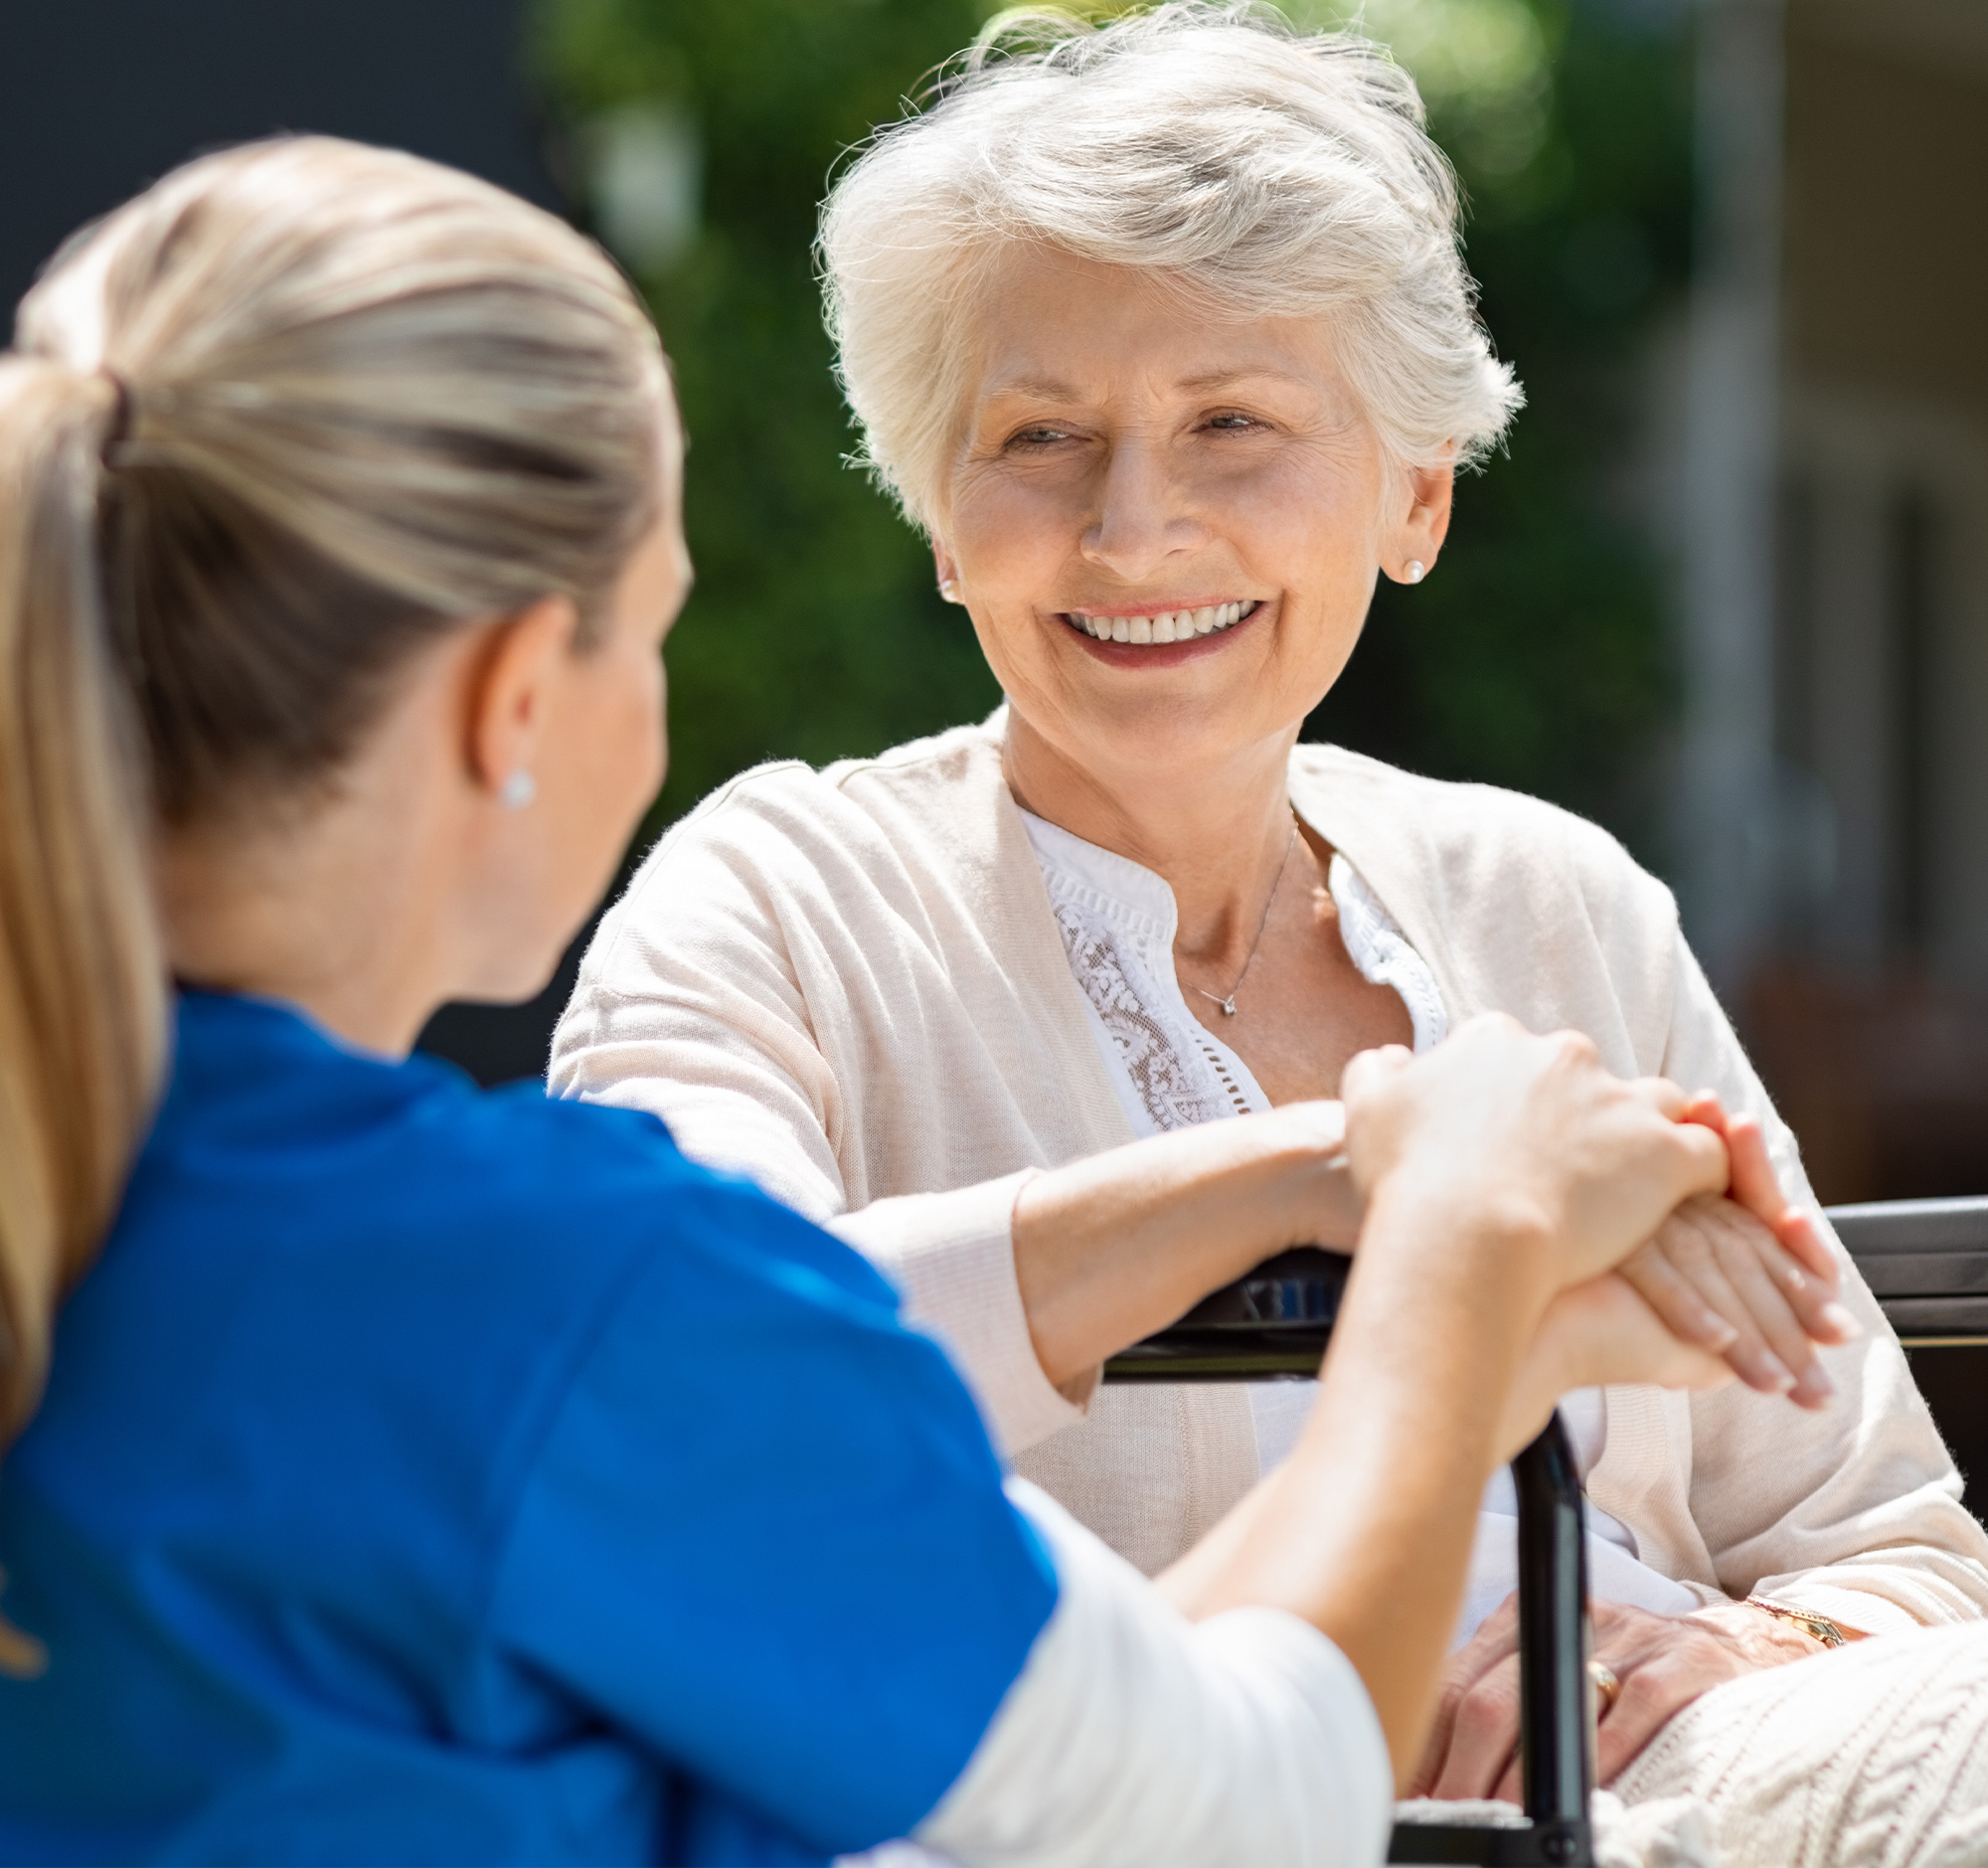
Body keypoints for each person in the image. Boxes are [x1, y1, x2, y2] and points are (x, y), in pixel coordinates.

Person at [0, 134, 1754, 1866]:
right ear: (518, 697)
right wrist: (1456, 1260)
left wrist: (1309, 1177)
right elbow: (1252, 1808)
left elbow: (1081, 1791)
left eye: (1228, 421)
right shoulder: (571, 1298)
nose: (1132, 516)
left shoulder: (101, 1216)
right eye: (659, 624)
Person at [547, 0, 1988, 1800]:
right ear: (938, 511)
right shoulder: (780, 899)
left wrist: (1736, 1648)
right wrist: (1349, 1173)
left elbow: (1896, 1545)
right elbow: (682, 1390)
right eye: (1040, 439)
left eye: (1232, 421)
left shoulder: (1555, 903)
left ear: (1417, 495)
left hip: (1706, 1784)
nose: (1134, 530)